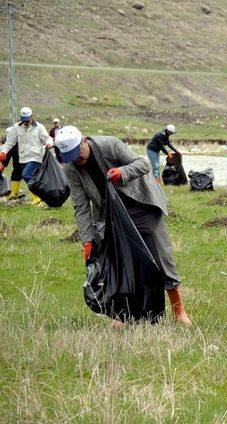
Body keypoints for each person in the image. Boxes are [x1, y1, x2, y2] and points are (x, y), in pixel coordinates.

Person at [55, 126, 191, 326]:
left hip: (141, 204)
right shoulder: (72, 169)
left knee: (161, 258)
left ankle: (179, 313)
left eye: (77, 153)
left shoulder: (109, 144)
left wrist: (122, 172)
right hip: (112, 215)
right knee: (121, 264)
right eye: (70, 157)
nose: (76, 160)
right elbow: (81, 207)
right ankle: (123, 315)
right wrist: (87, 241)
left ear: (84, 141)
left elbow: (142, 164)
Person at [0, 107, 53, 206]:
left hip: (36, 157)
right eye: (23, 120)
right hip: (23, 158)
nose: (25, 122)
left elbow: (47, 138)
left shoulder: (39, 127)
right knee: (30, 177)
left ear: (31, 117)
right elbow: (9, 142)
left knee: (26, 175)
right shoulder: (16, 128)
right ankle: (38, 199)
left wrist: (49, 143)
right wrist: (4, 152)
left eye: (27, 120)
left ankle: (39, 196)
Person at [0, 126, 24, 200]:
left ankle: (37, 197)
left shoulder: (22, 142)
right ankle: (14, 194)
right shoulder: (10, 145)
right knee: (15, 175)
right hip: (18, 164)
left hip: (28, 162)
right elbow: (6, 158)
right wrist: (1, 167)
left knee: (28, 176)